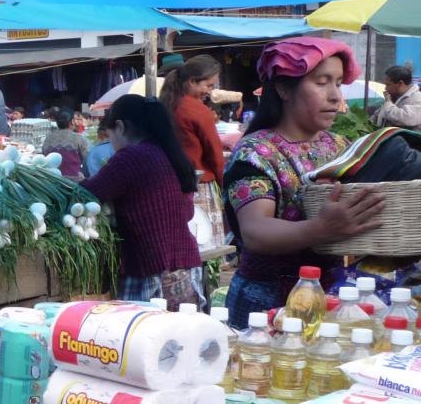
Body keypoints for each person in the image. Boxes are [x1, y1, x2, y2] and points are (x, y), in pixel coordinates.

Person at [223, 38, 385, 327]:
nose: (335, 96)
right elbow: (255, 231)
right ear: (284, 88)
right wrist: (320, 229)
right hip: (268, 303)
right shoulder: (256, 151)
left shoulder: (341, 146)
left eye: (338, 83)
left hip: (332, 296)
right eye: (322, 82)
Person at [79, 96, 203, 310]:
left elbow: (88, 193)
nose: (111, 144)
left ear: (119, 126)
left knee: (142, 338)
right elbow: (187, 211)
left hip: (151, 269)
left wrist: (72, 183)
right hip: (185, 267)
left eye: (109, 136)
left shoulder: (131, 156)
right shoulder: (170, 153)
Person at [161, 55, 225, 185]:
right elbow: (215, 155)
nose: (210, 91)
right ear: (192, 81)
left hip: (168, 180)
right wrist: (223, 184)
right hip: (198, 181)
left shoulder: (165, 103)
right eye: (209, 86)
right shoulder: (197, 110)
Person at [40, 108, 90, 182]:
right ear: (72, 121)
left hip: (52, 180)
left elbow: (44, 156)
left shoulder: (48, 138)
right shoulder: (78, 138)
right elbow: (86, 160)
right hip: (73, 182)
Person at [373, 65, 421, 130]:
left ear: (400, 83)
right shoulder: (394, 98)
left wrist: (388, 103)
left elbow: (405, 118)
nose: (386, 88)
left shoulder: (417, 98)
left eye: (388, 85)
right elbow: (377, 117)